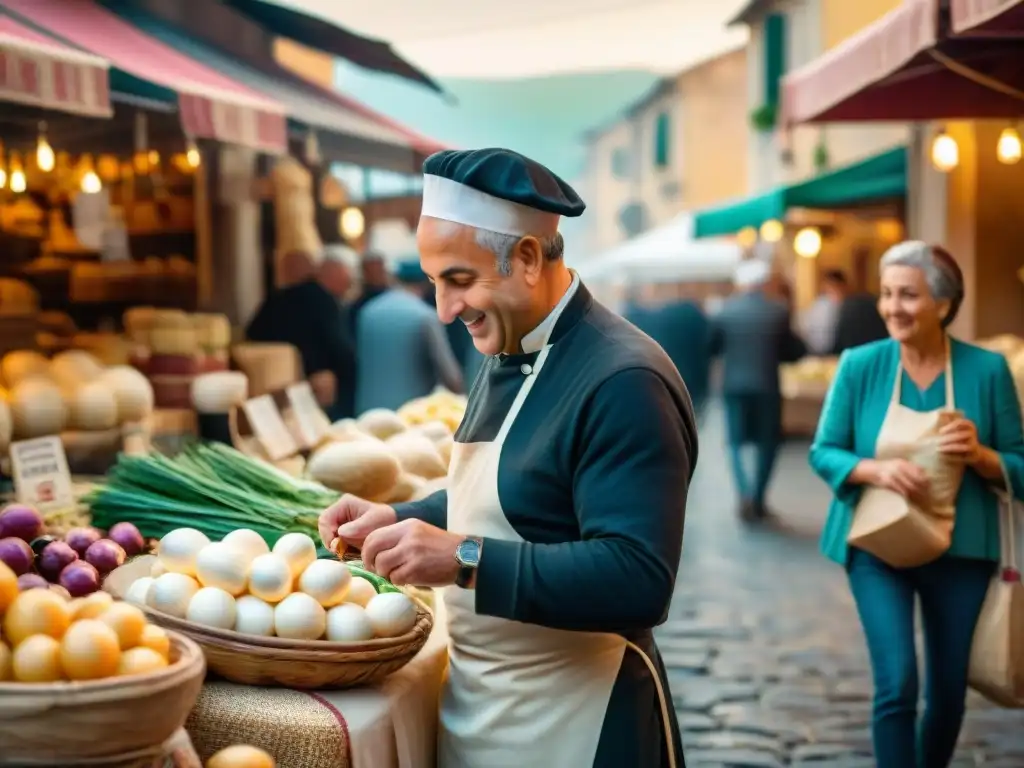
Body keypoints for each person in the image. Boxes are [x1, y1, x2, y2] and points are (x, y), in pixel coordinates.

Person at [319, 147, 695, 768]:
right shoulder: (507, 345)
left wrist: (463, 558)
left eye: (459, 280)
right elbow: (508, 497)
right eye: (435, 281)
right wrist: (398, 516)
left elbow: (638, 578)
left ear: (525, 258)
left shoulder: (624, 378)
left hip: (582, 728)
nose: (443, 309)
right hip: (488, 717)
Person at [809, 241, 1024, 768]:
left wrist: (981, 456)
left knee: (948, 693)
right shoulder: (861, 365)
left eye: (908, 295)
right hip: (876, 544)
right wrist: (874, 469)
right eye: (886, 294)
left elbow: (1020, 463)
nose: (892, 307)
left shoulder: (987, 370)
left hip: (963, 549)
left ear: (944, 304)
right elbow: (824, 450)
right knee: (897, 681)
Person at [711, 259, 806, 520]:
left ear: (741, 284)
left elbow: (713, 347)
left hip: (734, 386)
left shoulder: (725, 311)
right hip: (767, 386)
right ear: (764, 284)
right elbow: (793, 350)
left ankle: (744, 493)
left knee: (735, 443)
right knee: (767, 443)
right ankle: (759, 496)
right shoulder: (778, 311)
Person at [245, 249, 356, 419]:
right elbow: (338, 346)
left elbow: (253, 333)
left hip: (276, 387)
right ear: (329, 273)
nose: (348, 285)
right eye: (346, 279)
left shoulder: (277, 298)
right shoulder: (324, 300)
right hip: (315, 385)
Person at [354, 260, 464, 413]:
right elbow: (451, 377)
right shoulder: (424, 315)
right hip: (409, 416)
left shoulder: (368, 311)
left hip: (366, 411)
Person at [799, 269, 846, 356]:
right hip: (816, 351)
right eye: (828, 286)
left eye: (833, 286)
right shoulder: (819, 305)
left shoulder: (847, 306)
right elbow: (806, 328)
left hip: (838, 351)